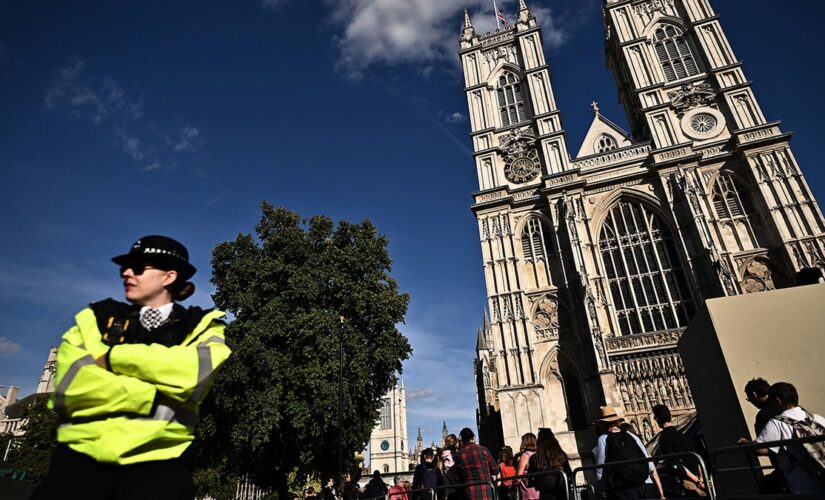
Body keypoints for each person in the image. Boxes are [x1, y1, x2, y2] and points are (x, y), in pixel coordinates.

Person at [34, 235, 231, 500]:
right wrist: (158, 389)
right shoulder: (94, 318)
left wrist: (112, 359)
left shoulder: (203, 325)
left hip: (158, 470)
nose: (127, 272)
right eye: (124, 267)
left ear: (169, 277)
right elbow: (71, 388)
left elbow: (194, 377)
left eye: (138, 267)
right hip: (80, 464)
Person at [753, 382, 825, 495]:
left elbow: (759, 449)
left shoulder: (777, 423)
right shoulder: (817, 418)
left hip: (803, 485)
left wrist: (746, 444)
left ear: (778, 401)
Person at [594, 406, 664, 500]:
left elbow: (600, 471)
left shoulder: (603, 439)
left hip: (623, 490)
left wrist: (599, 492)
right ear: (617, 421)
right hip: (645, 485)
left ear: (602, 424)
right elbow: (650, 464)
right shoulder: (631, 435)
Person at [651, 404, 705, 496]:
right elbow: (697, 458)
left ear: (657, 419)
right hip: (700, 478)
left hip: (688, 482)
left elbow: (675, 464)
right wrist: (702, 478)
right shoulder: (682, 434)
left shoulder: (664, 438)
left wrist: (697, 482)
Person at [453, 427, 498, 500]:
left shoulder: (459, 455)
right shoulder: (483, 450)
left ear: (462, 440)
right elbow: (495, 470)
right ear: (473, 437)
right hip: (486, 490)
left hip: (470, 492)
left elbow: (457, 476)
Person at [527, 428, 572, 500]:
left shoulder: (535, 458)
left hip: (545, 491)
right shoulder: (561, 455)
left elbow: (530, 477)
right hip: (561, 490)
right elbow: (569, 472)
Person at [516, 432, 540, 500]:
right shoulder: (536, 454)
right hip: (536, 488)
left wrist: (514, 483)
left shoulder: (525, 455)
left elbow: (519, 475)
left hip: (527, 489)